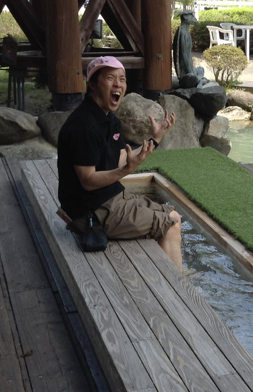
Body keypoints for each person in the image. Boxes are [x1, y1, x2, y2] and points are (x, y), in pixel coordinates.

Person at [57, 56, 182, 268]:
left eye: (122, 79)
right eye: (110, 78)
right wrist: (126, 170)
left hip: (110, 198)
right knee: (170, 226)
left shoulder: (109, 118)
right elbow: (87, 180)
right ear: (93, 84)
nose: (118, 84)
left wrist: (155, 140)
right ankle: (180, 293)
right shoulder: (84, 126)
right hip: (91, 212)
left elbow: (120, 158)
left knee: (174, 216)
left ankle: (173, 276)